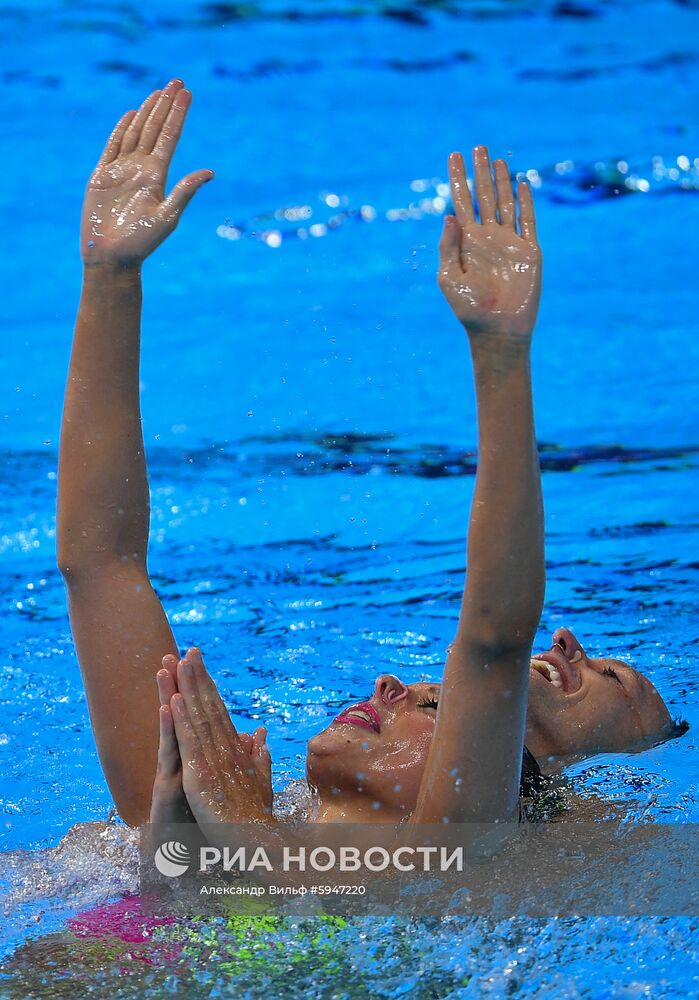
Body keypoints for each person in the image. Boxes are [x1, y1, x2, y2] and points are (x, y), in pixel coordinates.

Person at [57, 78, 682, 831]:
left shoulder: (436, 859)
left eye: (613, 678)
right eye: (432, 697)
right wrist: (109, 276)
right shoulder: (206, 805)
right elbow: (101, 563)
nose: (391, 682)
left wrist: (502, 354)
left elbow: (494, 638)